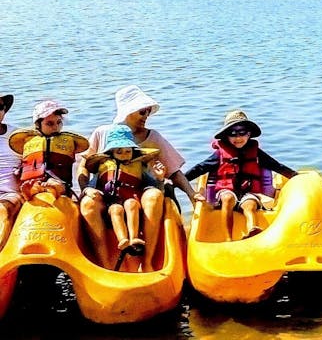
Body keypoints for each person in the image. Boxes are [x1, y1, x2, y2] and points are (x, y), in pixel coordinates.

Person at [78, 85, 203, 271]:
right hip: (107, 194)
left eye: (148, 112)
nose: (146, 116)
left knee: (153, 196)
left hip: (138, 193)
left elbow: (174, 171)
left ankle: (150, 262)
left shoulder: (153, 137)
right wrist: (85, 188)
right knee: (88, 204)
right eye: (142, 112)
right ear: (128, 111)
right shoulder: (103, 133)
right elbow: (85, 165)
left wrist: (192, 194)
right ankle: (104, 265)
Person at [185, 110, 297, 241]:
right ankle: (227, 237)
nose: (238, 138)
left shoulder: (256, 152)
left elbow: (275, 165)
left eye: (242, 133)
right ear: (226, 136)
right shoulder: (220, 154)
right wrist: (180, 180)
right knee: (227, 198)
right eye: (233, 134)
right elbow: (200, 168)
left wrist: (295, 175)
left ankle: (253, 229)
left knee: (250, 205)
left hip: (248, 192)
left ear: (249, 134)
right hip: (225, 191)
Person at [83, 125, 165, 266]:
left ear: (133, 151)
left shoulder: (139, 167)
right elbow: (92, 185)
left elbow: (153, 186)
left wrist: (160, 178)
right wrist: (87, 191)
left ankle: (134, 238)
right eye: (119, 152)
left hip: (133, 200)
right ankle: (123, 240)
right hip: (112, 202)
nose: (124, 154)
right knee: (116, 209)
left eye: (128, 151)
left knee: (130, 204)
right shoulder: (104, 166)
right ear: (111, 152)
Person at [8, 100, 88, 200]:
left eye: (59, 122)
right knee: (34, 184)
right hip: (36, 180)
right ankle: (30, 191)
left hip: (60, 183)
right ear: (38, 125)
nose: (56, 127)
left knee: (56, 184)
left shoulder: (67, 142)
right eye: (49, 124)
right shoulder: (30, 141)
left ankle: (53, 189)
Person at [0, 93, 22, 247]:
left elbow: (32, 163)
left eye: (0, 107)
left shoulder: (17, 136)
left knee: (4, 209)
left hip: (10, 193)